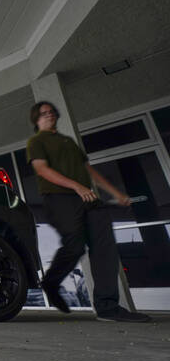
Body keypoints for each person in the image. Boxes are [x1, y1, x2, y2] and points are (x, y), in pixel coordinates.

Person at [26, 101, 150, 322]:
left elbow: (88, 170)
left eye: (52, 112)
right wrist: (76, 186)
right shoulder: (36, 142)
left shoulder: (68, 142)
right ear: (36, 120)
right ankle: (51, 282)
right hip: (59, 199)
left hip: (89, 199)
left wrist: (115, 193)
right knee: (74, 247)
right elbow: (42, 170)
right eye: (44, 114)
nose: (49, 116)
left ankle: (108, 307)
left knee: (105, 250)